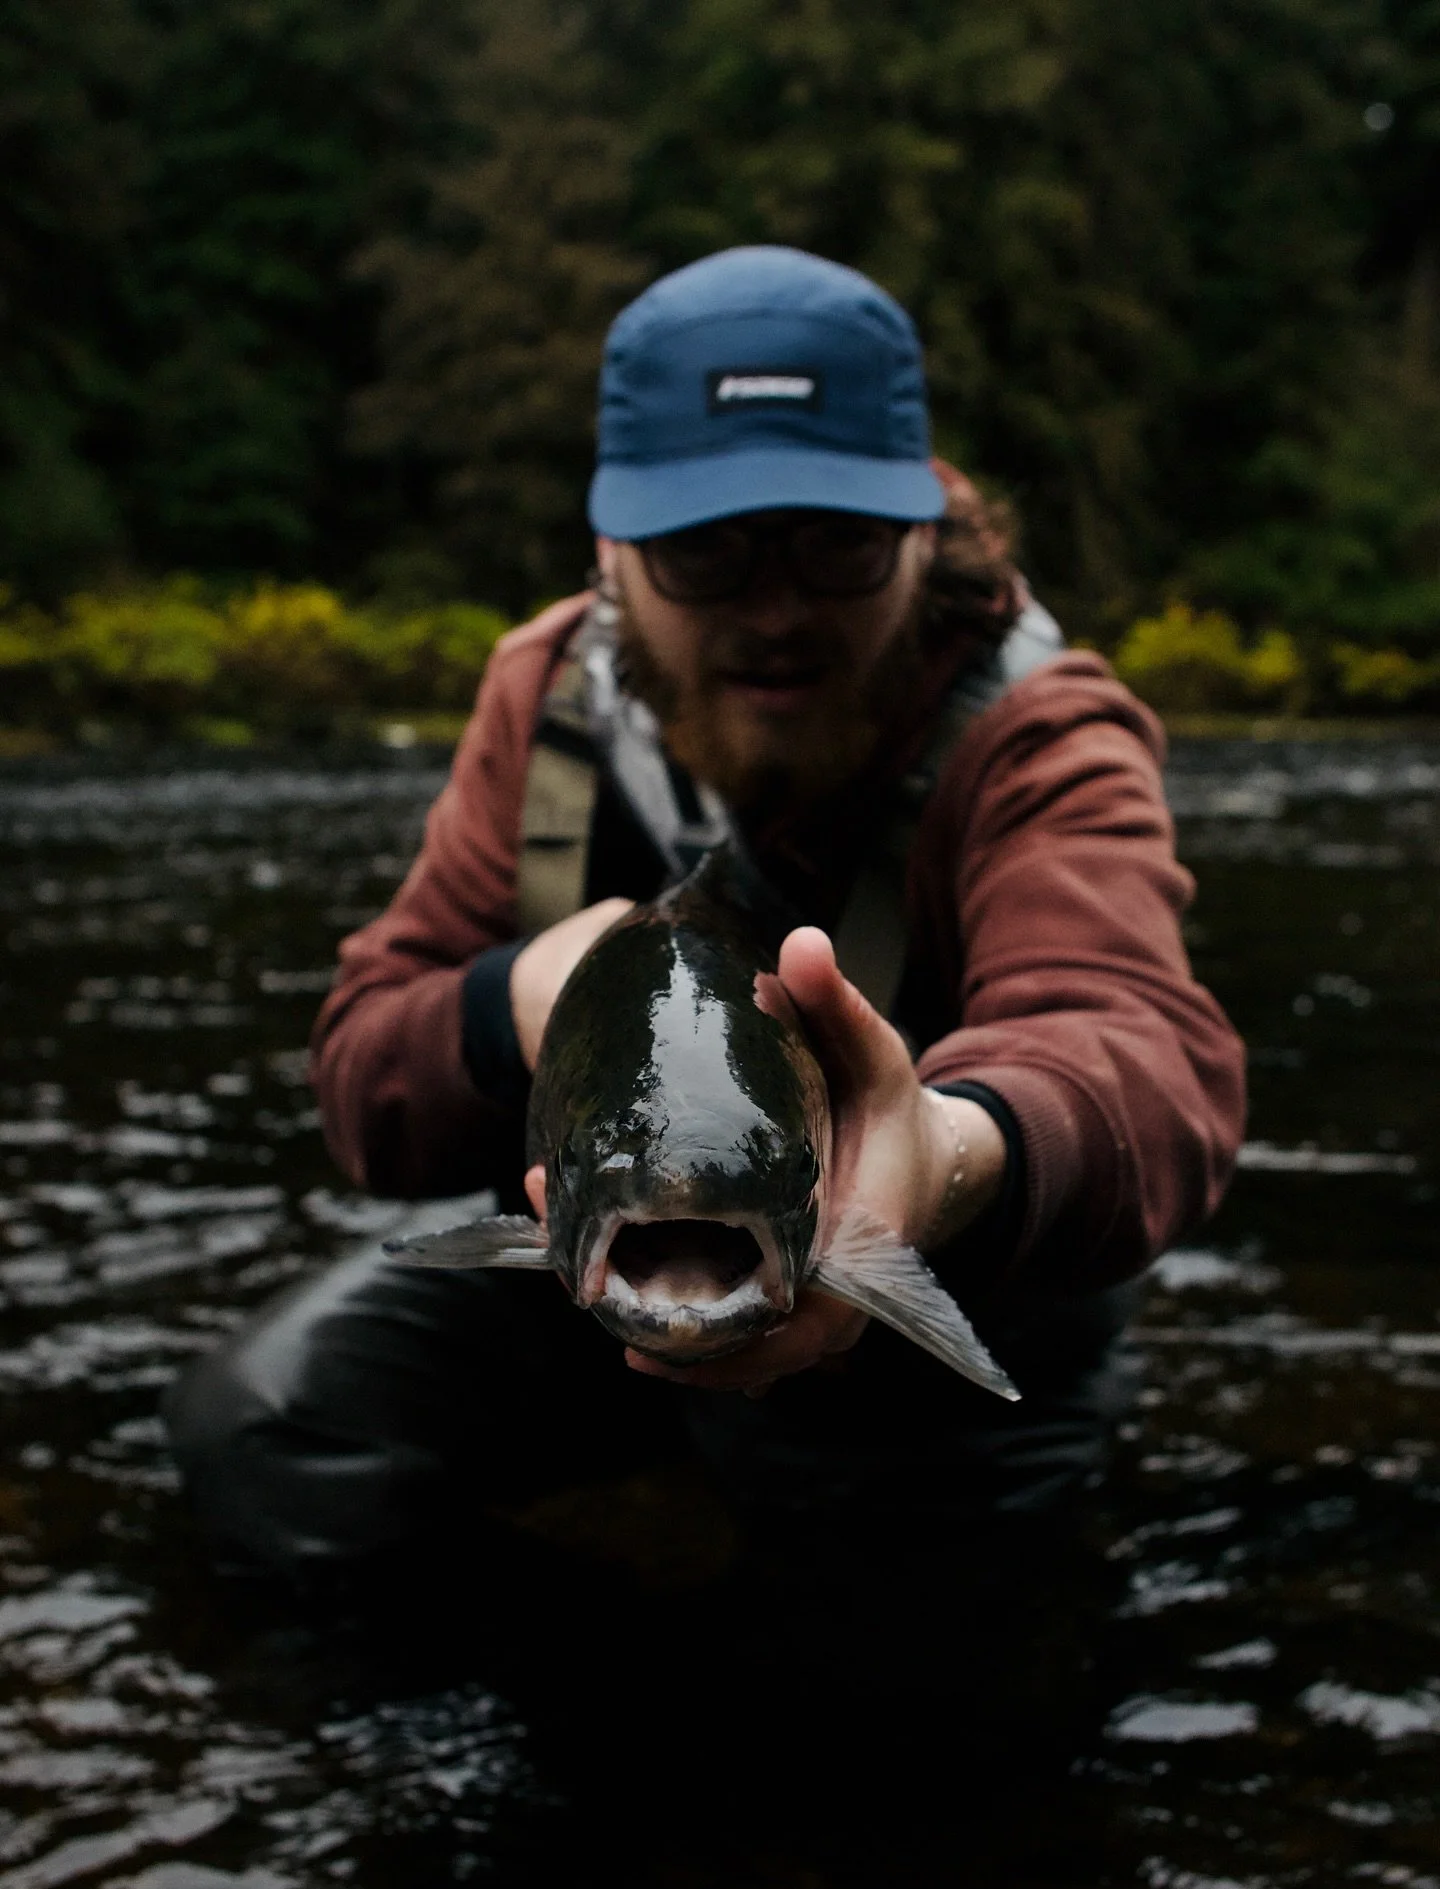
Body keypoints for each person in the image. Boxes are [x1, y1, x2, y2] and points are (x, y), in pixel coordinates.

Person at [167, 247, 1245, 1589]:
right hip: (596, 1255)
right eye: (706, 551)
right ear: (614, 551)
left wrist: (950, 1156)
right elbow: (358, 1076)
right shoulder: (541, 699)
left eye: (837, 546)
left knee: (912, 1656)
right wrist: (508, 1004)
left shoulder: (1041, 735)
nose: (776, 610)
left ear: (923, 536)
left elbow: (1138, 1049)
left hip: (931, 1314)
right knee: (268, 1426)